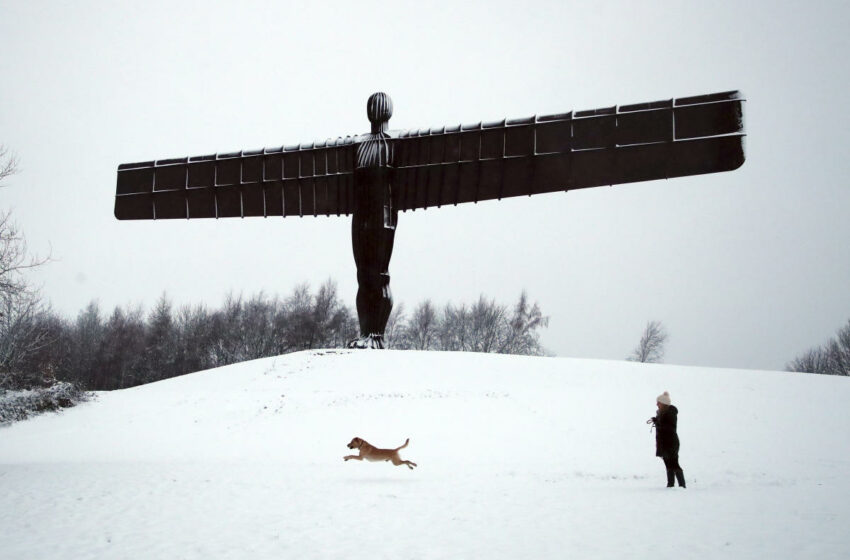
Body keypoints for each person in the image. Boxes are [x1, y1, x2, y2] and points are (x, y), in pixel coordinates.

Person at [648, 391, 686, 488]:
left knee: (674, 463)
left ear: (663, 403)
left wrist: (658, 423)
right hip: (664, 443)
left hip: (670, 443)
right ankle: (671, 484)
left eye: (658, 402)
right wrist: (657, 421)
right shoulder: (661, 413)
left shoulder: (670, 413)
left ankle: (681, 485)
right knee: (668, 464)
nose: (657, 404)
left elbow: (669, 429)